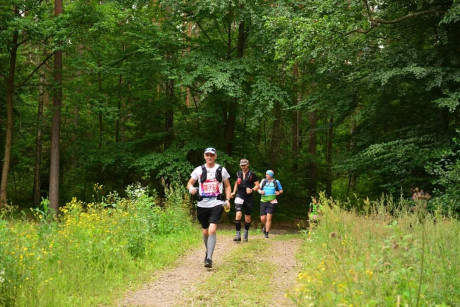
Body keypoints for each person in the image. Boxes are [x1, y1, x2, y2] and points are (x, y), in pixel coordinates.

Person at [187, 147, 231, 268]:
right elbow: (190, 183)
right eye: (207, 155)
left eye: (212, 155)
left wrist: (227, 199)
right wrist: (191, 188)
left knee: (212, 230)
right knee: (205, 231)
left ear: (215, 156)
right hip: (202, 204)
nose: (209, 157)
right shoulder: (199, 170)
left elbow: (227, 186)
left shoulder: (221, 170)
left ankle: (209, 258)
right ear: (204, 156)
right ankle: (208, 252)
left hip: (217, 203)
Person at [230, 159, 259, 242]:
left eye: (244, 165)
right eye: (241, 165)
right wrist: (233, 192)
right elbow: (236, 183)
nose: (243, 166)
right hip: (239, 195)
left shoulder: (252, 174)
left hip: (248, 197)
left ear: (248, 165)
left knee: (247, 217)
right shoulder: (238, 173)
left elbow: (257, 185)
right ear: (240, 165)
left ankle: (246, 233)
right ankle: (238, 234)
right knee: (238, 214)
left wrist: (252, 190)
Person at [258, 170, 283, 238]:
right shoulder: (263, 181)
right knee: (262, 218)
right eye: (266, 174)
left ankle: (266, 233)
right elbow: (258, 188)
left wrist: (279, 192)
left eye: (268, 174)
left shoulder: (276, 182)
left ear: (271, 175)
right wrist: (260, 192)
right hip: (263, 200)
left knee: (269, 218)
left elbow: (281, 190)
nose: (266, 175)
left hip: (272, 201)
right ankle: (265, 226)